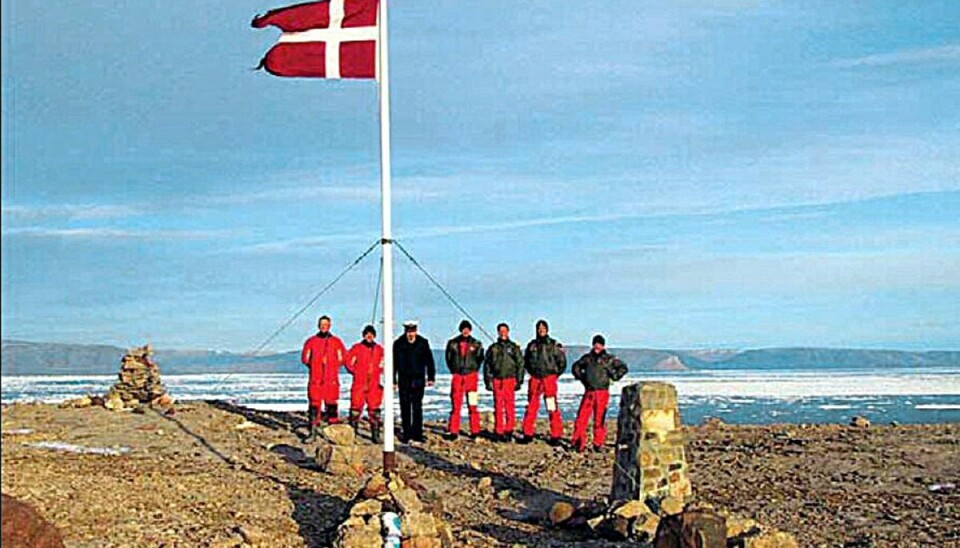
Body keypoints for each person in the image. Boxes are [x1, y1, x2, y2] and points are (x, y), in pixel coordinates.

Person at [570, 334, 628, 452]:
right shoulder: (587, 358)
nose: (597, 346)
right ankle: (578, 442)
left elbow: (623, 368)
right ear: (593, 345)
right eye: (595, 344)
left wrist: (614, 376)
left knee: (599, 419)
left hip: (602, 392)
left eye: (599, 344)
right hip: (589, 391)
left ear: (603, 346)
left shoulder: (608, 359)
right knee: (582, 418)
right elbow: (575, 367)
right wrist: (582, 378)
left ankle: (598, 443)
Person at [519, 319, 567, 445]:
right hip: (535, 378)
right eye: (539, 328)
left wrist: (555, 374)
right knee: (531, 406)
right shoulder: (532, 345)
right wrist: (531, 372)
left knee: (552, 406)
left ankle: (556, 435)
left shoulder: (553, 345)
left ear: (547, 330)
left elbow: (562, 362)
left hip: (549, 378)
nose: (541, 330)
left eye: (543, 328)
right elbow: (526, 361)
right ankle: (527, 433)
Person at [301, 314, 347, 442]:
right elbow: (305, 359)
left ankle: (333, 433)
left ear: (330, 326)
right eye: (321, 325)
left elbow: (343, 358)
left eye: (326, 325)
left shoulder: (336, 342)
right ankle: (313, 432)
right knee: (314, 405)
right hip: (316, 379)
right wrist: (316, 364)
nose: (323, 327)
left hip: (331, 380)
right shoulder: (311, 341)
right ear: (318, 326)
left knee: (332, 405)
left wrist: (332, 365)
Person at [393, 320, 435, 443]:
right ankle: (406, 433)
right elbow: (394, 363)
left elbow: (429, 361)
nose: (410, 334)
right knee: (405, 407)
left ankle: (417, 433)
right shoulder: (398, 344)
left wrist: (431, 377)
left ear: (416, 331)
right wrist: (393, 380)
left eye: (412, 331)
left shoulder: (423, 343)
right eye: (408, 331)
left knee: (417, 407)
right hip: (404, 380)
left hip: (418, 380)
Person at [483, 322, 525, 442]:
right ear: (498, 332)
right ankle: (499, 431)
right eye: (500, 331)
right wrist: (488, 381)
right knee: (498, 406)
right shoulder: (493, 348)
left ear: (508, 332)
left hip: (510, 379)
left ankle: (509, 430)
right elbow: (487, 365)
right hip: (497, 379)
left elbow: (520, 364)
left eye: (504, 331)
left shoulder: (514, 347)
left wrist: (519, 380)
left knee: (510, 406)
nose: (503, 333)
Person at [444, 320, 485, 441]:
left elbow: (480, 358)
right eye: (463, 329)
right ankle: (453, 430)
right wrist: (454, 369)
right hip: (457, 376)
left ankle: (475, 430)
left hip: (471, 377)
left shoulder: (476, 343)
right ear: (460, 330)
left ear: (470, 330)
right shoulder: (452, 343)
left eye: (467, 329)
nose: (465, 331)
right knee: (456, 404)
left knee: (472, 404)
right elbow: (448, 358)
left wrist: (474, 369)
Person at [345, 324, 385, 443]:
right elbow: (348, 362)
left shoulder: (379, 349)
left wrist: (379, 372)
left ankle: (375, 435)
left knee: (374, 410)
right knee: (355, 409)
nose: (369, 336)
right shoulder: (356, 348)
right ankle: (352, 433)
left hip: (374, 384)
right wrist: (356, 372)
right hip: (359, 383)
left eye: (371, 334)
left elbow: (383, 363)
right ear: (364, 335)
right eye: (367, 334)